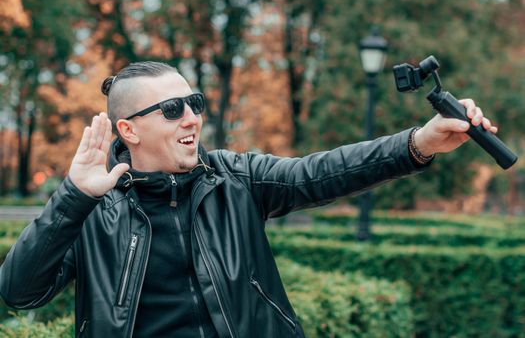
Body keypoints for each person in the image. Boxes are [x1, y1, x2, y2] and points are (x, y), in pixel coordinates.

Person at [0, 61, 498, 338]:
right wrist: (73, 198)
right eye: (173, 109)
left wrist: (419, 143)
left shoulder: (234, 177)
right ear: (128, 129)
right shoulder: (89, 209)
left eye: (194, 103)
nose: (192, 118)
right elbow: (19, 292)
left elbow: (321, 172)